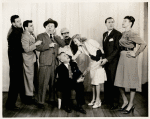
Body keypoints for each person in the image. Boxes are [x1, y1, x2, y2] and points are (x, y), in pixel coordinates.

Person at [114, 16, 147, 114]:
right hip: (122, 57)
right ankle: (125, 101)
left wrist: (135, 53)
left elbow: (143, 43)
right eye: (123, 20)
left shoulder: (132, 33)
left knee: (132, 81)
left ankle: (131, 104)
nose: (123, 22)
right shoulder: (123, 33)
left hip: (129, 58)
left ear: (130, 23)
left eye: (125, 21)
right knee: (119, 81)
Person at [36, 18, 65, 109]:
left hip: (54, 63)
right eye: (48, 26)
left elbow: (63, 44)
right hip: (45, 63)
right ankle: (41, 101)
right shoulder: (40, 36)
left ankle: (52, 99)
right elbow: (37, 47)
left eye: (51, 26)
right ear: (45, 27)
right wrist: (48, 45)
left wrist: (55, 36)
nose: (49, 27)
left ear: (54, 28)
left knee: (53, 83)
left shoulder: (56, 37)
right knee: (43, 83)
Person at [71, 34, 107, 108]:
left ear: (79, 39)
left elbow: (100, 48)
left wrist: (103, 59)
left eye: (75, 41)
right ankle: (93, 99)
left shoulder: (90, 41)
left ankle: (98, 101)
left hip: (99, 61)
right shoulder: (80, 47)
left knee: (96, 82)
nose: (75, 43)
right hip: (92, 63)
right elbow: (75, 56)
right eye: (74, 42)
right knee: (93, 82)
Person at [101, 17, 122, 110]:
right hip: (105, 61)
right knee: (106, 81)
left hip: (113, 61)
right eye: (109, 22)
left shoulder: (117, 34)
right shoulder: (104, 34)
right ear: (105, 24)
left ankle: (115, 102)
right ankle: (107, 99)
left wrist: (107, 59)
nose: (111, 24)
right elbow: (105, 49)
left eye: (112, 22)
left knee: (113, 81)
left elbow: (117, 49)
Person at [6, 15, 25, 110]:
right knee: (14, 83)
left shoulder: (19, 30)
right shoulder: (14, 33)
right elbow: (19, 48)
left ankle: (23, 99)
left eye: (20, 21)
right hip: (14, 60)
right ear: (13, 23)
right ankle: (10, 105)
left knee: (18, 81)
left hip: (17, 59)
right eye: (18, 21)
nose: (20, 22)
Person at [21, 20, 42, 104]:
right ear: (26, 27)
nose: (33, 27)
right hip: (28, 59)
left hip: (32, 58)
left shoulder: (31, 34)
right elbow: (26, 49)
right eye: (31, 26)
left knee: (33, 78)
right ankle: (28, 98)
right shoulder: (24, 36)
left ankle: (31, 96)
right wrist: (36, 44)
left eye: (33, 25)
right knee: (29, 79)